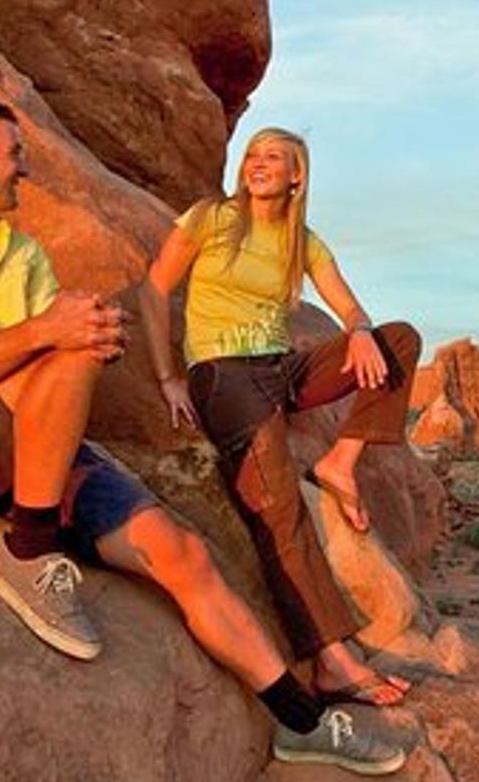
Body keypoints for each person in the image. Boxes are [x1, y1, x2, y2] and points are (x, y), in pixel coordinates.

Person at [0, 96, 407, 775]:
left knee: (184, 552)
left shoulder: (19, 253)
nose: (23, 170)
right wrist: (57, 338)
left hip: (26, 444)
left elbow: (41, 365)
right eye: (12, 154)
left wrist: (72, 335)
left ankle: (301, 719)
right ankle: (27, 549)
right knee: (69, 342)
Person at [139, 127, 422, 708]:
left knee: (400, 341)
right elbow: (153, 289)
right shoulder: (210, 218)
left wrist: (361, 332)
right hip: (223, 374)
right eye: (253, 155)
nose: (258, 163)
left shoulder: (302, 240)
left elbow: (347, 304)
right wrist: (169, 375)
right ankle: (332, 661)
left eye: (273, 156)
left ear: (297, 175)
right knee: (280, 510)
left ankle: (339, 463)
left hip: (279, 369)